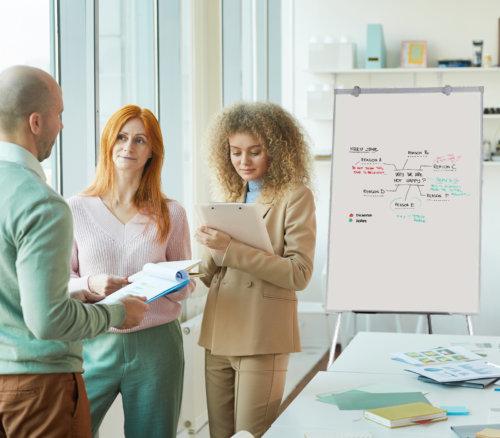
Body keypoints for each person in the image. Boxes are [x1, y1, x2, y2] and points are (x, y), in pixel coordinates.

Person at [0, 66, 148, 438]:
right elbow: (47, 321)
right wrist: (116, 312)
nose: (61, 126)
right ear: (36, 122)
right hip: (38, 388)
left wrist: (75, 290)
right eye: (59, 114)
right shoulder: (41, 204)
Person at [68, 104, 194, 438]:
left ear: (152, 151)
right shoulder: (76, 208)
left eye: (140, 140)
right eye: (122, 137)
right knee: (71, 431)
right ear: (108, 143)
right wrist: (91, 283)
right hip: (94, 340)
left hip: (156, 346)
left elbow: (186, 286)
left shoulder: (172, 214)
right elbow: (61, 282)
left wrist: (171, 281)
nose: (128, 146)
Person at [195, 101, 317, 438]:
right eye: (235, 152)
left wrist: (231, 250)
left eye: (254, 151)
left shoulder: (295, 196)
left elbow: (299, 273)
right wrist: (200, 257)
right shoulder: (230, 193)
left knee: (251, 434)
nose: (243, 162)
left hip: (261, 335)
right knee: (219, 434)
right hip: (219, 332)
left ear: (277, 150)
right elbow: (215, 270)